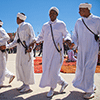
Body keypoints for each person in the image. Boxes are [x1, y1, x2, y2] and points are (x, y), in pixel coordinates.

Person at [29, 7, 72, 97]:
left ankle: (52, 89)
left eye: (54, 13)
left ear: (57, 14)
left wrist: (68, 39)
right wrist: (35, 40)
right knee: (47, 70)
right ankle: (63, 83)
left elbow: (66, 33)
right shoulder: (45, 25)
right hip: (47, 51)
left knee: (53, 70)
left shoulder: (61, 24)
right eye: (50, 13)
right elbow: (41, 36)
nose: (51, 15)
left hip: (57, 51)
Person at [72, 3, 100, 99]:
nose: (79, 12)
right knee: (81, 67)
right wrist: (73, 43)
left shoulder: (97, 20)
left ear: (87, 9)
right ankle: (91, 85)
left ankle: (89, 90)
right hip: (81, 50)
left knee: (89, 68)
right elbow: (75, 35)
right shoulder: (78, 22)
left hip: (92, 48)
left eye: (81, 10)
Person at [6, 13, 35, 93]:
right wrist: (7, 46)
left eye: (17, 18)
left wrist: (30, 47)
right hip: (20, 50)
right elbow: (15, 41)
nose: (16, 20)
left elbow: (32, 37)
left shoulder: (27, 25)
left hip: (26, 50)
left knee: (26, 67)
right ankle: (24, 83)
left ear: (20, 18)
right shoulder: (18, 28)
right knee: (20, 66)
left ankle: (27, 85)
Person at [0, 20, 15, 87]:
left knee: (2, 67)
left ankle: (1, 82)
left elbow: (7, 37)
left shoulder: (0, 29)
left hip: (2, 52)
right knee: (2, 67)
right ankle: (10, 75)